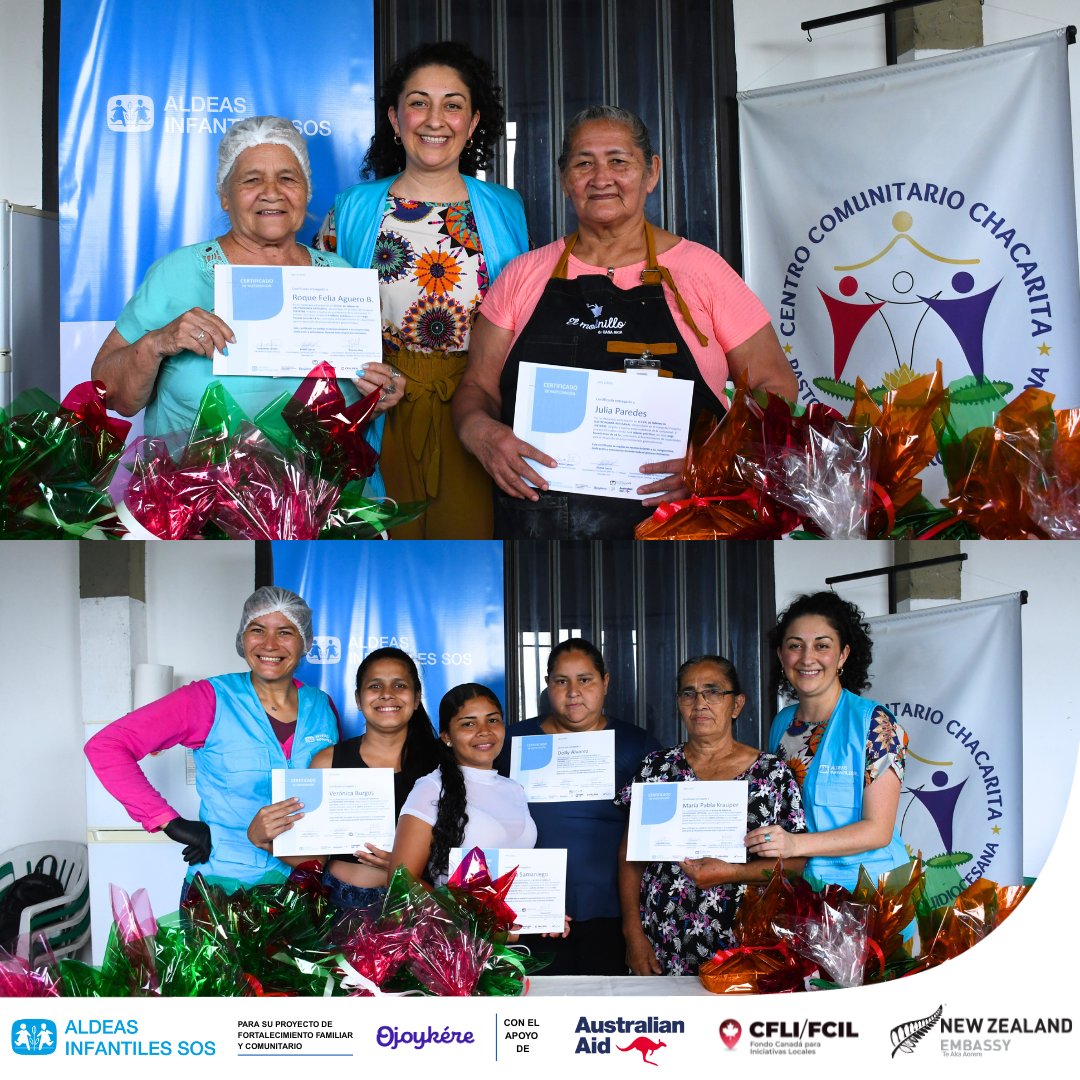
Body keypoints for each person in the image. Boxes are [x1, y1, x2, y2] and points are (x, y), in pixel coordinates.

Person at [453, 104, 798, 539]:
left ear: (651, 172)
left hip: (683, 520)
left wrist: (712, 462)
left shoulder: (704, 271)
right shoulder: (523, 275)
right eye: (583, 164)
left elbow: (776, 386)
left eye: (619, 161)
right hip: (541, 526)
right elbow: (476, 387)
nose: (601, 179)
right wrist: (481, 433)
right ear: (565, 180)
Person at [91, 115, 402, 497]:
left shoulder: (340, 278)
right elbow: (111, 394)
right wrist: (157, 342)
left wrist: (380, 392)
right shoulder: (179, 274)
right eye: (251, 179)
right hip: (195, 510)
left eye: (288, 178)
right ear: (225, 195)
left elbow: (351, 406)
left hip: (322, 509)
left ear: (306, 192)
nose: (272, 192)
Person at [318, 41, 529, 538]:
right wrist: (360, 379)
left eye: (453, 105)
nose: (435, 119)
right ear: (395, 118)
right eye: (418, 102)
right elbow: (319, 319)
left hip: (476, 410)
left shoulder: (506, 208)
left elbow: (523, 316)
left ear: (473, 122)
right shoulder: (351, 207)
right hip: (379, 411)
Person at [84, 587, 340, 899]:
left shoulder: (321, 706)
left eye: (285, 632)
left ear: (305, 643)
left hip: (304, 887)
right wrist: (172, 823)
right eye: (257, 630)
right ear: (242, 638)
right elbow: (106, 746)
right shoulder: (208, 699)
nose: (269, 644)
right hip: (224, 889)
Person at [617, 655, 806, 975]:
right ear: (678, 703)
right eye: (688, 693)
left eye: (714, 691)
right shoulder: (657, 768)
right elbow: (629, 857)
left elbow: (797, 865)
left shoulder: (771, 773)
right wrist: (633, 935)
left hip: (744, 942)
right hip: (663, 941)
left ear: (737, 704)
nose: (700, 702)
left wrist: (731, 872)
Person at [495, 638, 660, 975]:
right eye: (561, 681)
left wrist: (634, 928)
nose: (573, 692)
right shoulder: (511, 742)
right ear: (547, 685)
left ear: (606, 682)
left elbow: (653, 838)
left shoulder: (636, 744)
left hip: (611, 912)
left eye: (585, 680)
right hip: (530, 912)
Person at [246, 647, 442, 910]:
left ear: (417, 698)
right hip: (338, 906)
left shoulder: (441, 766)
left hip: (414, 909)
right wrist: (264, 840)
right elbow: (317, 859)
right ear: (358, 699)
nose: (387, 694)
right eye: (375, 685)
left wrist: (402, 868)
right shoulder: (327, 762)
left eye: (399, 685)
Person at [744, 592, 910, 892]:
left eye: (822, 645)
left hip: (871, 893)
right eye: (795, 646)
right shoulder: (782, 723)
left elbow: (878, 831)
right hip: (803, 892)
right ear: (782, 656)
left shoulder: (875, 723)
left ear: (843, 655)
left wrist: (794, 844)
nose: (807, 658)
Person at [390, 683, 536, 886]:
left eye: (492, 720)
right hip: (457, 918)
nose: (484, 731)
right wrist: (465, 915)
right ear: (447, 736)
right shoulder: (430, 788)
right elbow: (401, 882)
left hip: (516, 918)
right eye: (468, 724)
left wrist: (545, 911)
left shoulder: (515, 789)